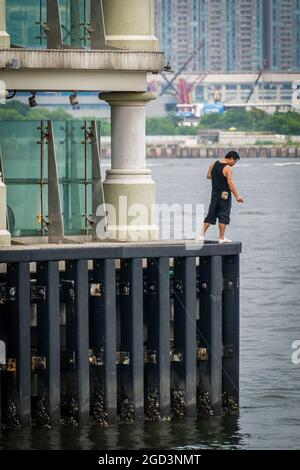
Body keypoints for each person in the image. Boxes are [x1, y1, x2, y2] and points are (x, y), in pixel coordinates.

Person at [198, 151, 244, 243]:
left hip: (214, 194)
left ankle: (201, 235)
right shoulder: (228, 168)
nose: (234, 164)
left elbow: (208, 176)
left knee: (211, 214)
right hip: (225, 195)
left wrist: (217, 178)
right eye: (235, 161)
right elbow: (230, 183)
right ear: (231, 158)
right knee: (223, 215)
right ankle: (221, 238)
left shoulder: (214, 163)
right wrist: (237, 196)